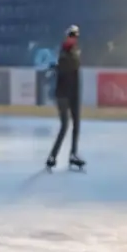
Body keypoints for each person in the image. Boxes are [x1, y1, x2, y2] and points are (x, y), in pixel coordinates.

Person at [46, 25, 85, 171]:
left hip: (73, 94)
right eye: (71, 35)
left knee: (76, 124)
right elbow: (63, 69)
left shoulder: (74, 52)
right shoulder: (64, 53)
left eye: (75, 36)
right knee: (65, 125)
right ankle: (52, 156)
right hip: (63, 94)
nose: (73, 38)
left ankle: (73, 154)